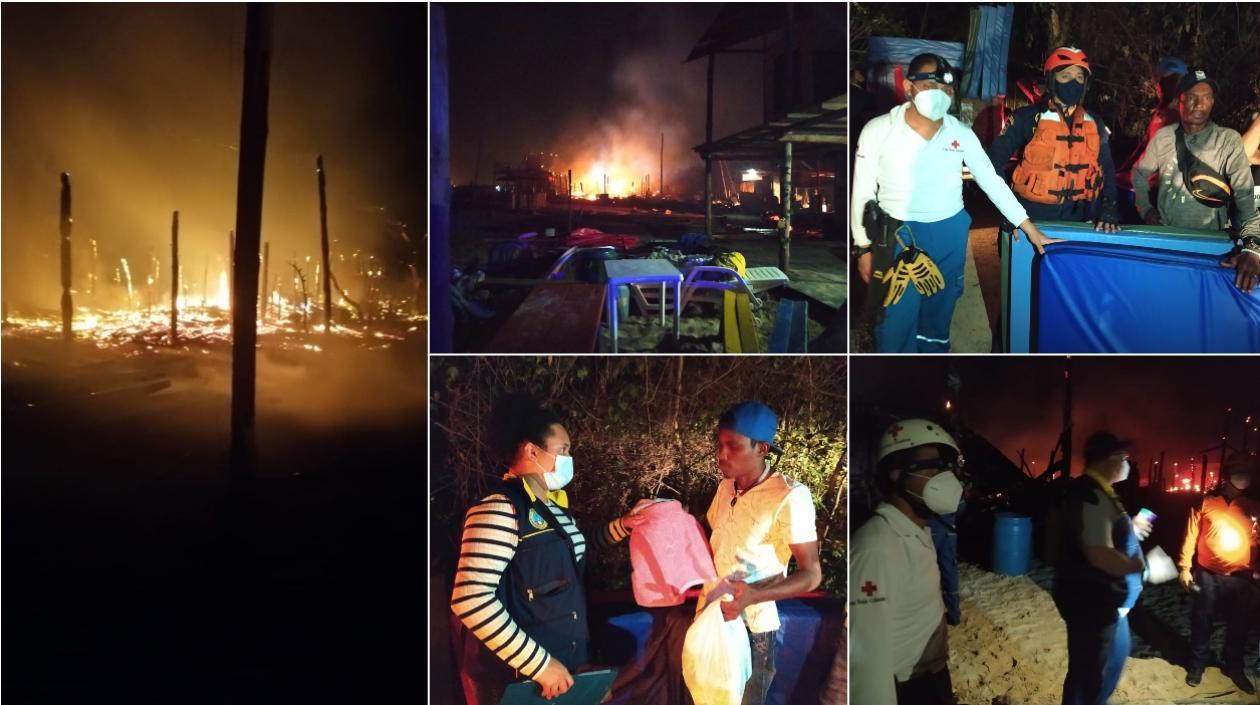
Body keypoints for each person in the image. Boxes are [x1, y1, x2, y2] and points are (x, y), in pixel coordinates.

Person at [850, 53, 1059, 353]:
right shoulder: (879, 130)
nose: (939, 94)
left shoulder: (960, 134)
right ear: (909, 87)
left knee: (939, 315)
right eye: (929, 85)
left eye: (946, 89)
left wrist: (1027, 225)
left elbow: (990, 179)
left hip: (949, 235)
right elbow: (862, 191)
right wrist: (863, 248)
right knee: (893, 322)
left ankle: (930, 376)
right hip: (895, 235)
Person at [451, 393, 650, 704]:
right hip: (521, 680)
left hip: (566, 667)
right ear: (532, 450)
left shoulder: (554, 509)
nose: (569, 459)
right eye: (563, 450)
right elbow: (471, 599)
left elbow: (577, 549)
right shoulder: (499, 509)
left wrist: (623, 525)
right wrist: (540, 665)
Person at [705, 401, 822, 705]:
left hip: (752, 629)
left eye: (733, 446)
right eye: (719, 444)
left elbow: (811, 574)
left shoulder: (790, 496)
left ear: (762, 448)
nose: (721, 454)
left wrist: (752, 595)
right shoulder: (725, 488)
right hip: (711, 619)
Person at [850, 418, 966, 705]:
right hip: (907, 688)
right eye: (931, 466)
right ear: (895, 472)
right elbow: (866, 662)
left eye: (945, 467)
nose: (943, 478)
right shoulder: (878, 547)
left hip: (930, 679)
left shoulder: (916, 531)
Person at [1132, 69, 1260, 292]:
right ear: (1178, 101)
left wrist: (1253, 249)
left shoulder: (1227, 141)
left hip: (1210, 244)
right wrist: (1146, 209)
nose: (1199, 104)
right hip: (1166, 240)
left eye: (1207, 97)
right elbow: (1139, 173)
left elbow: (1245, 195)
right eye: (1192, 97)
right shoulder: (1164, 138)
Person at [1053, 431, 1152, 705]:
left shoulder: (1100, 491)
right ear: (1110, 460)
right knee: (1089, 676)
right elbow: (1098, 553)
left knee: (1111, 661)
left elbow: (1099, 532)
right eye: (1124, 458)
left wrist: (1129, 529)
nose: (1128, 464)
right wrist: (1144, 568)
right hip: (1093, 602)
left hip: (1107, 601)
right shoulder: (1090, 494)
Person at [987, 47, 1121, 232]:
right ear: (1051, 79)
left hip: (1077, 220)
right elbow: (992, 163)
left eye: (1080, 77)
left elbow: (1107, 167)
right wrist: (1010, 210)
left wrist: (1109, 206)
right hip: (1029, 220)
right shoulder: (1027, 118)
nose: (1074, 81)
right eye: (1066, 76)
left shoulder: (1094, 123)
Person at [1176, 459, 1260, 693]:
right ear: (1227, 475)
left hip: (1241, 577)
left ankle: (1234, 666)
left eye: (1247, 473)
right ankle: (1197, 664)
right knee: (1202, 620)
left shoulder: (1254, 506)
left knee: (1239, 624)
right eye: (1239, 472)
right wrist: (1184, 567)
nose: (1244, 477)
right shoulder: (1205, 502)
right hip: (1207, 575)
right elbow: (1190, 534)